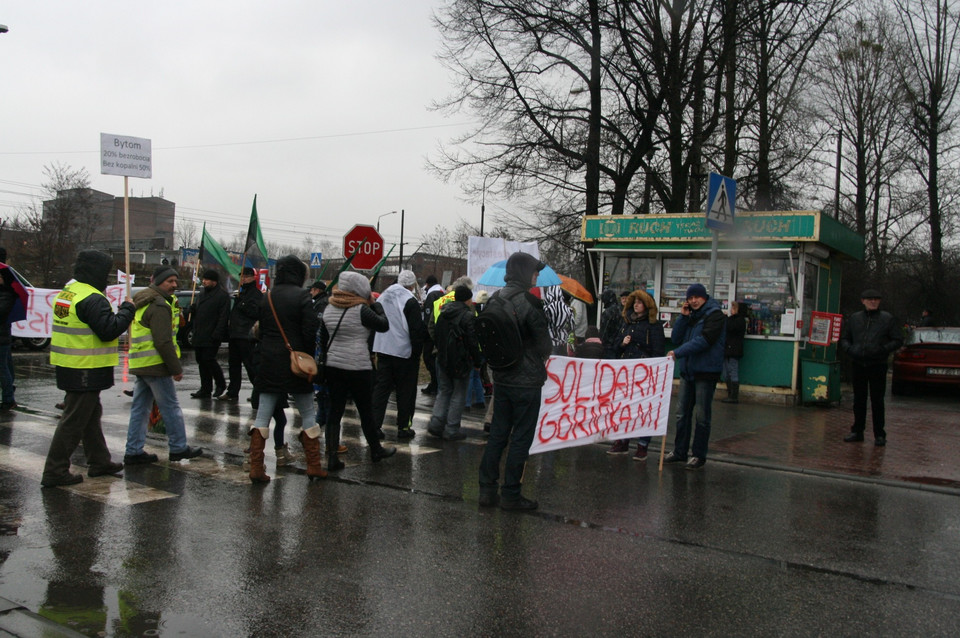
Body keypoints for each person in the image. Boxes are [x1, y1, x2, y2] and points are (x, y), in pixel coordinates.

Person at [40, 250, 136, 487]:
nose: (107, 277)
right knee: (73, 421)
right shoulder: (92, 298)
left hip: (71, 366)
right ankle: (55, 470)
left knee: (91, 416)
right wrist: (127, 310)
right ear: (97, 272)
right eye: (106, 272)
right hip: (86, 369)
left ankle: (99, 461)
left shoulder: (69, 292)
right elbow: (109, 329)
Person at [478, 252, 552, 511]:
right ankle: (511, 494)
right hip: (527, 382)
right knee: (520, 438)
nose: (537, 276)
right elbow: (545, 345)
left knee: (497, 435)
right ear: (524, 273)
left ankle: (487, 490)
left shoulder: (494, 299)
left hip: (502, 377)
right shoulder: (530, 303)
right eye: (534, 271)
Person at [247, 256, 324, 482]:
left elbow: (259, 329)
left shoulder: (267, 296)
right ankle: (314, 466)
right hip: (295, 362)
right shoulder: (302, 296)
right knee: (308, 412)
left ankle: (256, 468)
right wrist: (305, 354)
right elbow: (310, 331)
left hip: (269, 361)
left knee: (262, 414)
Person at [125, 266, 204, 465]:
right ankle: (178, 447)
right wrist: (175, 368)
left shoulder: (142, 301)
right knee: (171, 407)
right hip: (156, 365)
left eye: (175, 281)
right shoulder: (159, 305)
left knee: (140, 409)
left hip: (141, 364)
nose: (174, 285)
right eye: (170, 281)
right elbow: (163, 341)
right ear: (158, 281)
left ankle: (133, 450)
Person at [323, 271, 396, 470]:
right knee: (365, 410)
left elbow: (323, 338)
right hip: (357, 366)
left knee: (334, 412)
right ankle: (375, 449)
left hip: (333, 366)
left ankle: (331, 457)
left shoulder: (329, 307)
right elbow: (383, 325)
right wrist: (376, 304)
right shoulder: (361, 310)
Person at [665, 283, 725, 470]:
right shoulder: (691, 317)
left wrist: (678, 353)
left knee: (702, 416)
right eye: (690, 298)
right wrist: (682, 318)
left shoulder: (715, 315)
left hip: (705, 373)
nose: (693, 301)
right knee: (681, 413)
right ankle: (680, 451)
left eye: (696, 297)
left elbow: (704, 341)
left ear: (704, 297)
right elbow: (675, 337)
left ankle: (698, 454)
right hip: (688, 372)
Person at [839, 289, 903, 447]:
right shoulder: (855, 318)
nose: (873, 301)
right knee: (859, 400)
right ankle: (857, 431)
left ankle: (879, 434)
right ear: (863, 301)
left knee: (877, 401)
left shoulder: (887, 319)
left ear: (880, 301)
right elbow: (845, 338)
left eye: (876, 299)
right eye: (869, 299)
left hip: (878, 364)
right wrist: (850, 349)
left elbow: (898, 339)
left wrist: (882, 350)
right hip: (859, 363)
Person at [607, 290, 665, 461]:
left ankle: (643, 445)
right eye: (635, 302)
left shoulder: (653, 325)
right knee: (624, 407)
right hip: (627, 371)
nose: (636, 305)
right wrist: (622, 343)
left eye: (640, 302)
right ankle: (622, 440)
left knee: (643, 408)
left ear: (647, 305)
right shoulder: (627, 322)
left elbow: (658, 351)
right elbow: (616, 347)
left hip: (644, 373)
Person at [371, 270, 427, 440]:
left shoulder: (383, 296)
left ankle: (374, 426)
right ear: (412, 284)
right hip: (404, 352)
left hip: (383, 349)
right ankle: (404, 427)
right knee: (406, 392)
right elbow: (416, 330)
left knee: (381, 390)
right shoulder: (409, 301)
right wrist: (417, 353)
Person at [427, 285, 482, 441]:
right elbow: (472, 341)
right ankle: (451, 429)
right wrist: (477, 361)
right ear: (468, 299)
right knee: (458, 393)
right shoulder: (467, 316)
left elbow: (436, 333)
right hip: (461, 360)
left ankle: (436, 424)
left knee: (444, 391)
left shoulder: (444, 311)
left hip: (442, 357)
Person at [221, 267, 262, 402]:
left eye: (246, 276)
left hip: (246, 335)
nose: (243, 279)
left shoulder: (256, 294)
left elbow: (255, 312)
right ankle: (232, 391)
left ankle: (258, 391)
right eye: (242, 276)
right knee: (233, 365)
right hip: (235, 334)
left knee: (250, 366)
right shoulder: (241, 292)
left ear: (253, 278)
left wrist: (243, 304)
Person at [189, 269, 230, 399]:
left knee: (209, 360)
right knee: (201, 361)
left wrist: (217, 333)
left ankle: (220, 384)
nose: (204, 281)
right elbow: (199, 310)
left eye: (207, 280)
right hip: (199, 333)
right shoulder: (201, 293)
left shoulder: (222, 296)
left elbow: (223, 317)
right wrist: (192, 310)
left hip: (211, 334)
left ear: (214, 281)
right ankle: (205, 389)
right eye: (204, 279)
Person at [420, 275, 445, 395]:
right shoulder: (443, 293)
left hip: (431, 333)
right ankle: (436, 383)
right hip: (441, 331)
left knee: (428, 358)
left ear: (428, 284)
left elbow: (428, 317)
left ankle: (434, 383)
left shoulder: (431, 295)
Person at [0, 246, 18, 411]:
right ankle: (9, 391)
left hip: (2, 335)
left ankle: (8, 398)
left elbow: (2, 312)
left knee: (2, 368)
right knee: (6, 365)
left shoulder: (7, 292)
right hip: (3, 335)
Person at [722, 301, 748, 404]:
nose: (731, 310)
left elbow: (731, 327)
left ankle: (733, 395)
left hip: (733, 350)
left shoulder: (739, 321)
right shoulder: (733, 319)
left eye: (733, 308)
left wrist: (725, 319)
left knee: (732, 371)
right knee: (726, 373)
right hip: (728, 350)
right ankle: (730, 393)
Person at [543, 285, 573, 356]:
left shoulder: (546, 309)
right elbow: (571, 326)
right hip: (563, 340)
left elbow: (543, 324)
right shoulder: (567, 309)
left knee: (552, 361)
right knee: (563, 362)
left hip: (551, 339)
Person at [598, 289, 625, 359]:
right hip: (619, 345)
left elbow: (603, 332)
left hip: (608, 347)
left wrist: (601, 344)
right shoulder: (621, 310)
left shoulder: (607, 313)